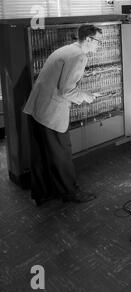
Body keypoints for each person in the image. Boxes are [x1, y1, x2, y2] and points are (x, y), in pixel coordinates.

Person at [23, 24, 102, 206]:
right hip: (51, 113)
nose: (99, 46)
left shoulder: (67, 49)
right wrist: (87, 97)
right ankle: (69, 193)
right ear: (88, 39)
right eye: (98, 41)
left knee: (42, 154)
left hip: (37, 108)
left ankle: (42, 194)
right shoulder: (79, 56)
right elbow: (66, 91)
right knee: (61, 153)